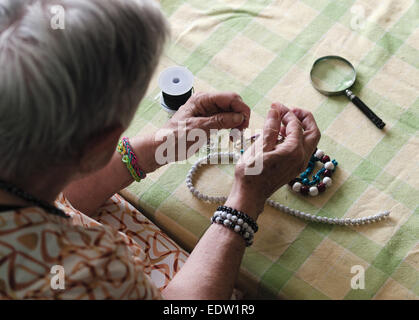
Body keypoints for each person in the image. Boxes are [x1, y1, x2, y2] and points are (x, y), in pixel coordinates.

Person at [0, 0, 320, 299]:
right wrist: (247, 197)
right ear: (99, 143)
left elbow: (60, 196)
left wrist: (159, 146)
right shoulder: (92, 273)